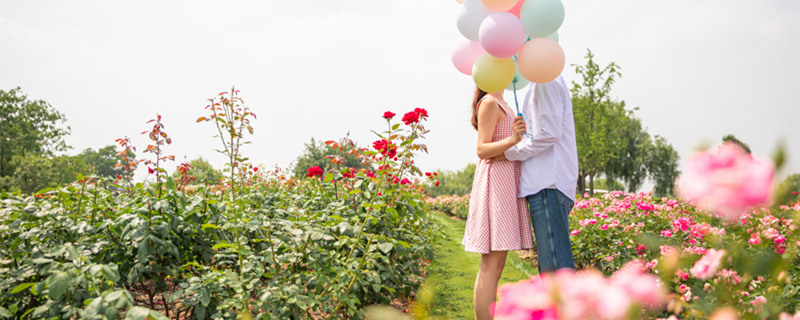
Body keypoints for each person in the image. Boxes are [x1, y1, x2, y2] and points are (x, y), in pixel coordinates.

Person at [494, 75, 579, 274]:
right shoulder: (544, 80)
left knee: (554, 268)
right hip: (548, 183)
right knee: (551, 262)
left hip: (547, 183)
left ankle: (562, 306)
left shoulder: (545, 79)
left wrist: (507, 153)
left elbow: (548, 134)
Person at [462, 87, 533, 320]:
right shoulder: (490, 102)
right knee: (490, 268)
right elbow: (482, 149)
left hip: (506, 182)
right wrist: (513, 139)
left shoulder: (504, 101)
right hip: (496, 184)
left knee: (497, 266)